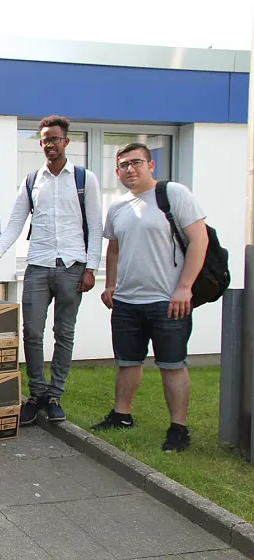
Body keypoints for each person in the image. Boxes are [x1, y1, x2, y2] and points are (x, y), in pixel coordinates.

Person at [0, 115, 103, 425]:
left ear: (66, 141)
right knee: (32, 333)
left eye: (55, 138)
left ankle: (54, 395)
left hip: (72, 267)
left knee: (64, 333)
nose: (50, 144)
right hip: (37, 265)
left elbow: (96, 224)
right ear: (41, 143)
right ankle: (36, 395)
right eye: (46, 139)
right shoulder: (32, 180)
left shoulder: (84, 179)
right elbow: (15, 223)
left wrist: (91, 268)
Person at [93, 143, 208, 452]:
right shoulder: (117, 207)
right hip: (127, 302)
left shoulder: (173, 195)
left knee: (172, 364)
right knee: (127, 362)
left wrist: (184, 287)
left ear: (150, 165)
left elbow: (200, 240)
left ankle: (178, 428)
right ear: (117, 171)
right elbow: (114, 248)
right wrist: (111, 285)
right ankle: (122, 415)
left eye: (136, 163)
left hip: (168, 300)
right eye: (124, 165)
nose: (130, 169)